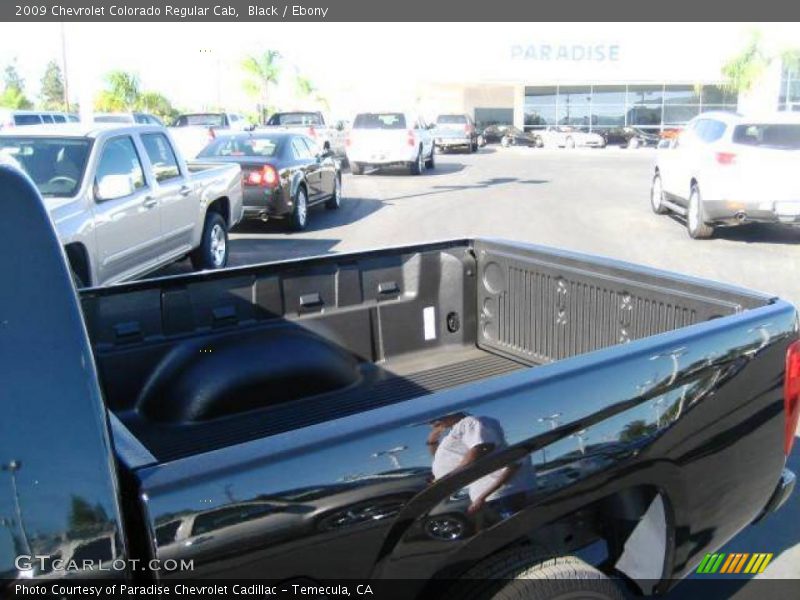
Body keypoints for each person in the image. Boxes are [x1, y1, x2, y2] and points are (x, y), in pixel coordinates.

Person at [427, 412, 536, 521]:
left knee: (519, 525)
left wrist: (449, 478)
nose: (432, 423)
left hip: (503, 494)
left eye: (434, 419)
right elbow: (441, 458)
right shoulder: (453, 433)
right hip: (488, 495)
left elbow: (481, 447)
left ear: (451, 412)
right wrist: (432, 441)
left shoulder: (470, 421)